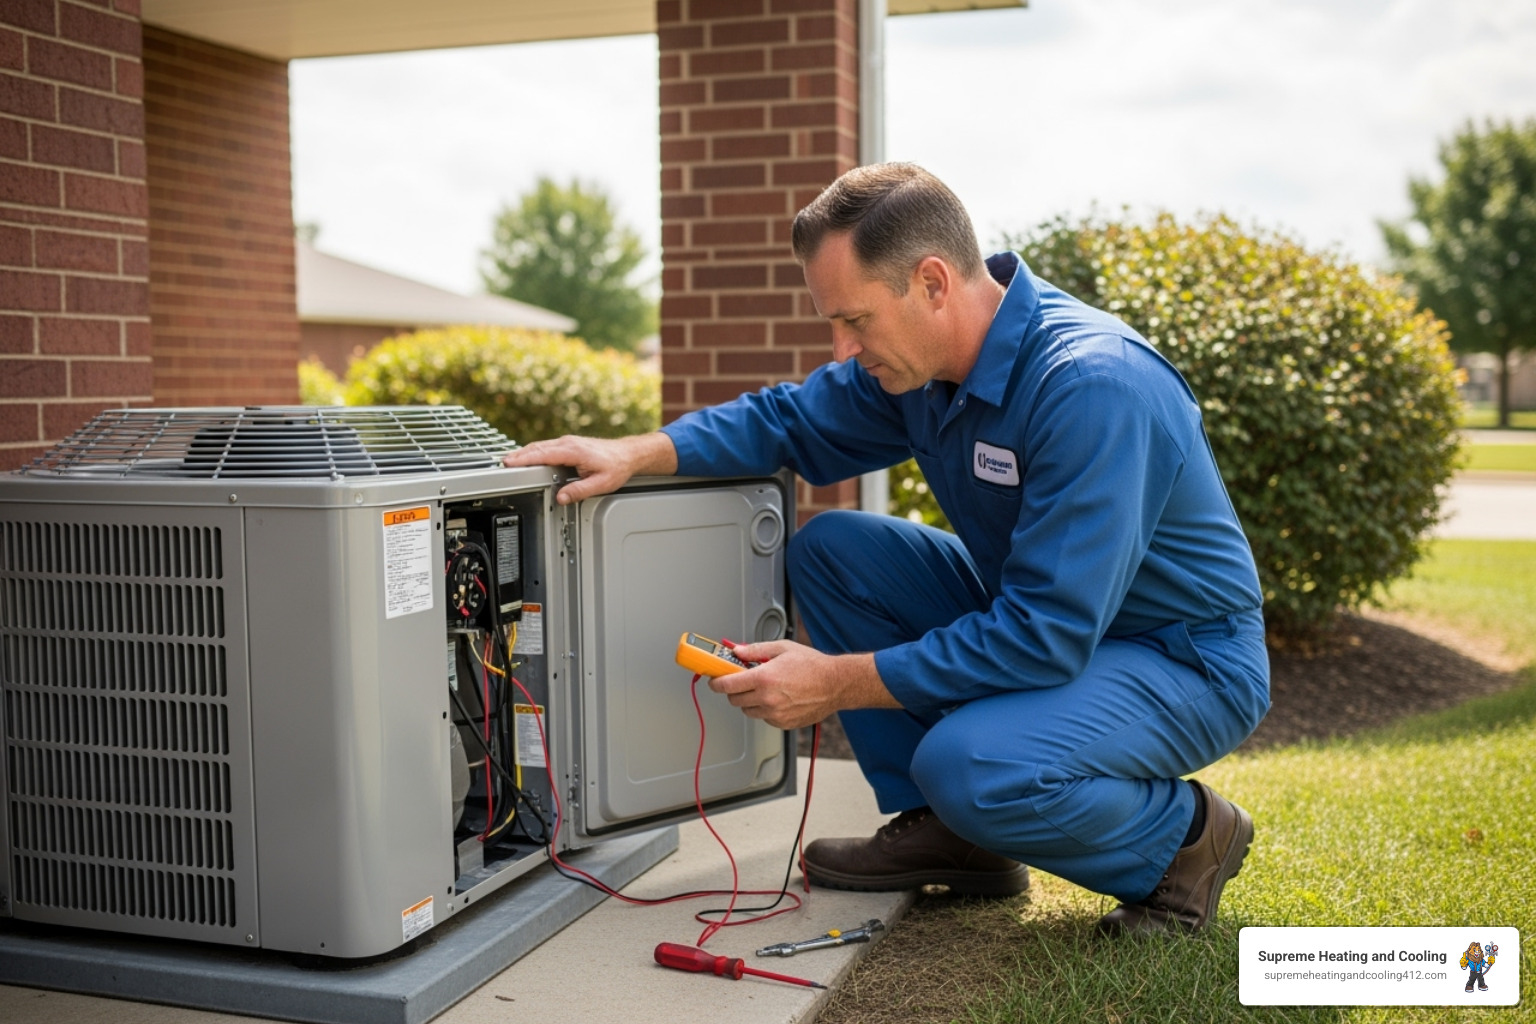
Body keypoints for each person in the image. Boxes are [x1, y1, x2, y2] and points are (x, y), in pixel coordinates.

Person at [503, 163, 1270, 935]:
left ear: (933, 282)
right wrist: (640, 451)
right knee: (833, 551)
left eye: (855, 320)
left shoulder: (1093, 388)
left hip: (1183, 656)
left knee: (970, 764)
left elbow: (1046, 636)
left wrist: (837, 682)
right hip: (1058, 622)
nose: (841, 350)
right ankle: (953, 836)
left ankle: (1184, 842)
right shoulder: (920, 372)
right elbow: (790, 421)